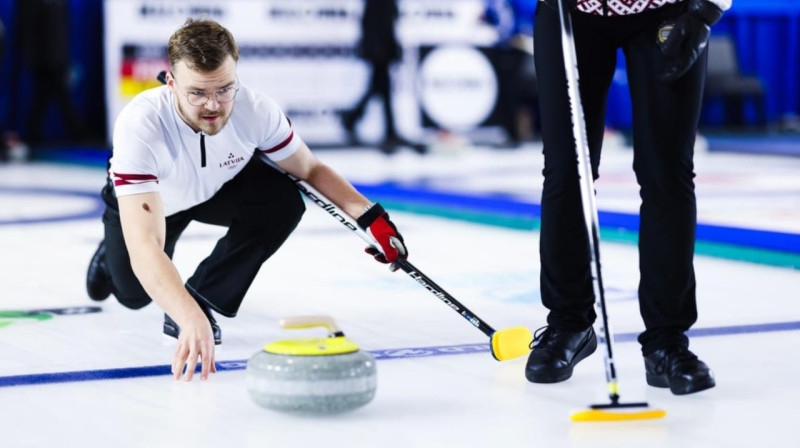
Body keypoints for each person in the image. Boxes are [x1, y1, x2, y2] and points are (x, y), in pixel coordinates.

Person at [85, 18, 408, 382]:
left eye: (225, 89)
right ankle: (108, 255)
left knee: (283, 201)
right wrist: (186, 318)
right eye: (197, 93)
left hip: (213, 189)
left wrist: (370, 217)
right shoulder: (141, 125)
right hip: (152, 203)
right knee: (133, 296)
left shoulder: (255, 110)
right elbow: (146, 247)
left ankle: (204, 295)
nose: (213, 105)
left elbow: (311, 170)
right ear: (171, 83)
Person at [526, 0, 730, 395]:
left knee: (666, 174)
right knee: (568, 170)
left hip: (666, 12)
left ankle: (666, 341)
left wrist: (707, 10)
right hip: (572, 13)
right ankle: (569, 324)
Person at [341, 0, 416, 154]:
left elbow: (387, 22)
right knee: (381, 88)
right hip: (379, 49)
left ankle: (355, 120)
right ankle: (357, 121)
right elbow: (376, 22)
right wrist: (381, 50)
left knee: (380, 89)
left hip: (382, 48)